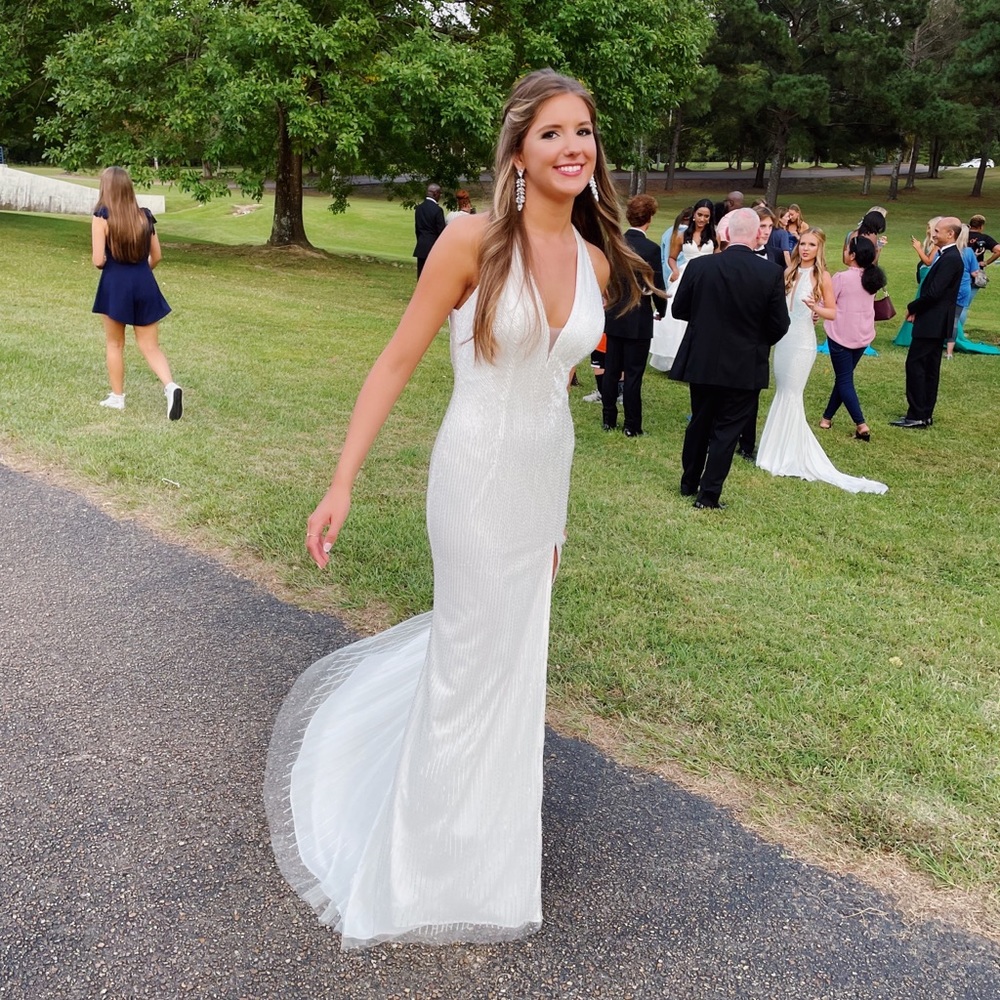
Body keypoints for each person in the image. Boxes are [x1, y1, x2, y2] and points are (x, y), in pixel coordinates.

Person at [265, 69, 646, 951]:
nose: (572, 147)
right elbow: (397, 360)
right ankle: (420, 863)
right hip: (473, 478)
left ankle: (490, 860)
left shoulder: (595, 259)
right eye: (551, 132)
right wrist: (341, 481)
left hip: (541, 484)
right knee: (470, 656)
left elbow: (557, 393)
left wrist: (556, 521)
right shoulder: (471, 241)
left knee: (517, 663)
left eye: (582, 130)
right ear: (518, 150)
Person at [668, 208, 789, 509]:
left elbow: (680, 309)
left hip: (705, 358)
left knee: (701, 420)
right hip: (744, 362)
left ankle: (689, 482)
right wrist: (756, 342)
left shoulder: (701, 268)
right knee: (726, 430)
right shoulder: (769, 273)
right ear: (757, 234)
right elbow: (779, 324)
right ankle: (707, 494)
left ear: (726, 233)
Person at [756, 228, 887, 494]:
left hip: (803, 341)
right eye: (802, 243)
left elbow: (832, 311)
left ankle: (791, 452)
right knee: (782, 391)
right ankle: (775, 448)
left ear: (819, 248)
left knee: (793, 393)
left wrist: (816, 310)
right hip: (784, 338)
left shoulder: (823, 276)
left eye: (811, 244)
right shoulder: (788, 271)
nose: (805, 248)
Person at [91, 166, 182, 420]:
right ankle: (170, 387)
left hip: (115, 284)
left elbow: (99, 260)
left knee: (115, 343)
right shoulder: (145, 216)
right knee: (151, 346)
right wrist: (141, 272)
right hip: (145, 282)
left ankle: (117, 397)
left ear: (105, 188)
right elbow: (158, 256)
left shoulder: (102, 216)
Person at [891, 217, 964, 428]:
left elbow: (934, 293)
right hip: (934, 320)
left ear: (950, 234)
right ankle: (923, 413)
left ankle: (917, 414)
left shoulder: (951, 258)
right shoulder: (946, 256)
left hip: (933, 321)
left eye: (938, 231)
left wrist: (913, 306)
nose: (933, 234)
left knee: (917, 365)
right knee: (928, 367)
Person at [602, 194, 665, 436]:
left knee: (611, 369)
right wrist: (661, 310)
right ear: (649, 218)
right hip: (638, 317)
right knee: (633, 374)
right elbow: (657, 286)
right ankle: (632, 425)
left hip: (615, 314)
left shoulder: (614, 243)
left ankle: (608, 418)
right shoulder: (650, 248)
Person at [818, 238, 886, 441]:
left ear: (853, 255)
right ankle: (826, 418)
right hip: (863, 336)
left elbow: (827, 302)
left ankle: (861, 424)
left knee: (845, 380)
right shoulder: (872, 277)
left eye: (847, 249)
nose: (845, 252)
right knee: (844, 378)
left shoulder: (842, 277)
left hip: (841, 335)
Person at [737, 207, 786, 460]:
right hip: (733, 331)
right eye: (762, 227)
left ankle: (747, 442)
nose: (765, 232)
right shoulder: (731, 253)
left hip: (759, 336)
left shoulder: (777, 256)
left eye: (770, 227)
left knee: (752, 389)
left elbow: (782, 296)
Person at [649, 198, 716, 373]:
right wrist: (675, 270)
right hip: (687, 274)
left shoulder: (715, 236)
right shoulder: (682, 235)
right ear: (694, 215)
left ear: (710, 218)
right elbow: (671, 257)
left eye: (706, 216)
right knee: (678, 315)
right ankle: (676, 357)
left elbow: (719, 257)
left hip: (708, 276)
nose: (702, 219)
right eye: (699, 215)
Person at [944, 225, 982, 359]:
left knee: (942, 316)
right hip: (963, 287)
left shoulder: (947, 251)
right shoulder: (969, 252)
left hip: (947, 287)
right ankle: (949, 351)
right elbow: (974, 272)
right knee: (955, 320)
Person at [413, 183, 446, 276]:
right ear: (435, 193)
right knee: (432, 275)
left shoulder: (419, 208)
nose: (440, 196)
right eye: (440, 194)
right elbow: (441, 231)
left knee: (421, 275)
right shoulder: (437, 210)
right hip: (433, 247)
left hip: (421, 246)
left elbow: (417, 229)